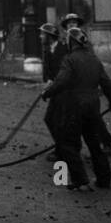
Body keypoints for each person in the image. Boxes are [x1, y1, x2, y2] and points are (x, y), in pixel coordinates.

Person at [42, 26, 111, 191]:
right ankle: (104, 180)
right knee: (94, 144)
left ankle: (80, 179)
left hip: (75, 107)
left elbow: (61, 81)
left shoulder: (69, 59)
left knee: (67, 143)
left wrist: (47, 93)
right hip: (92, 107)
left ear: (71, 43)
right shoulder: (94, 59)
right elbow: (108, 84)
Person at [40, 22, 66, 160]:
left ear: (49, 36)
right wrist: (48, 80)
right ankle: (62, 148)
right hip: (56, 91)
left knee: (58, 121)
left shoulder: (64, 49)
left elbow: (65, 72)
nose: (40, 36)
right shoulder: (47, 49)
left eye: (43, 34)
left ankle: (63, 151)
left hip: (65, 92)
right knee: (50, 119)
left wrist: (52, 83)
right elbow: (48, 71)